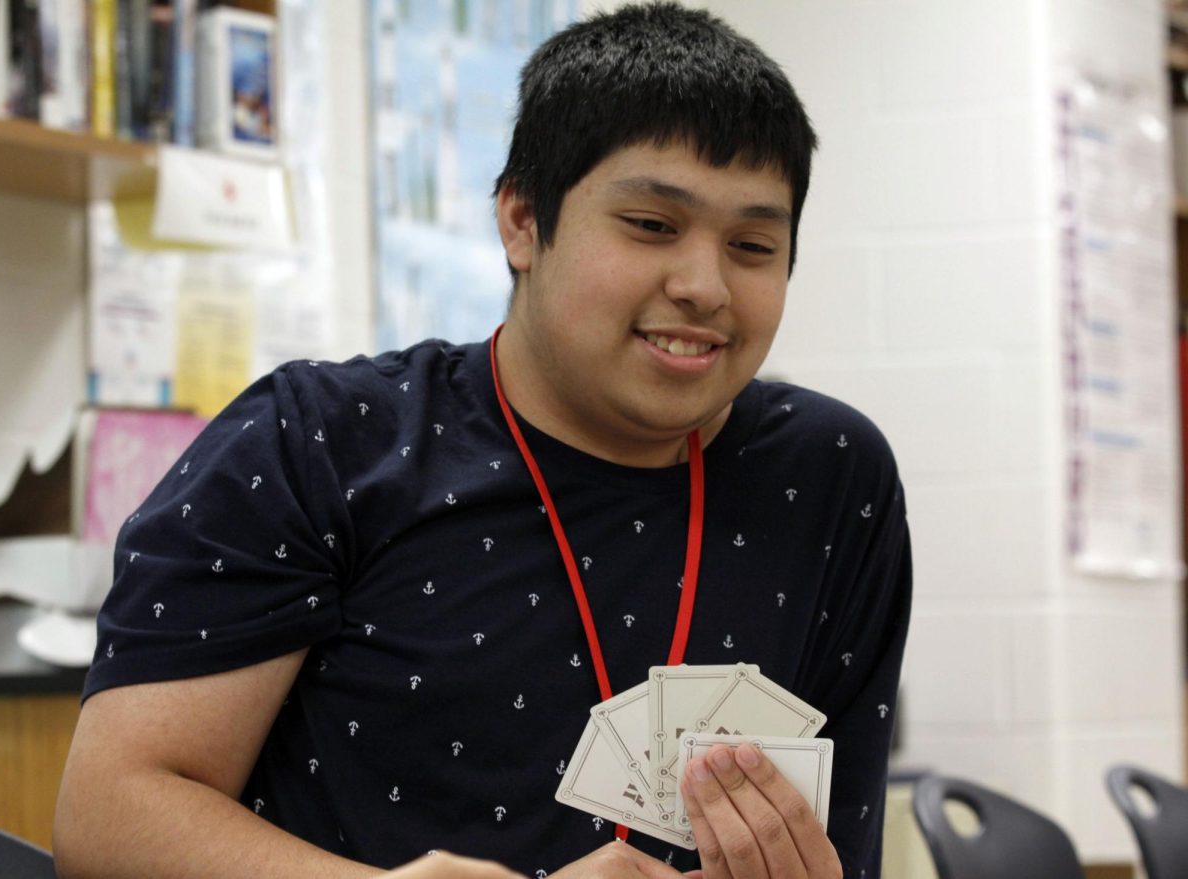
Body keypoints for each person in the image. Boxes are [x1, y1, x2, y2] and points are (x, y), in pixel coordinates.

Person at [53, 3, 911, 878]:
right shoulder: (319, 441)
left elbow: (844, 843)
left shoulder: (832, 477)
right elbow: (109, 813)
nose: (704, 285)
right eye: (652, 226)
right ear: (521, 221)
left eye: (754, 244)